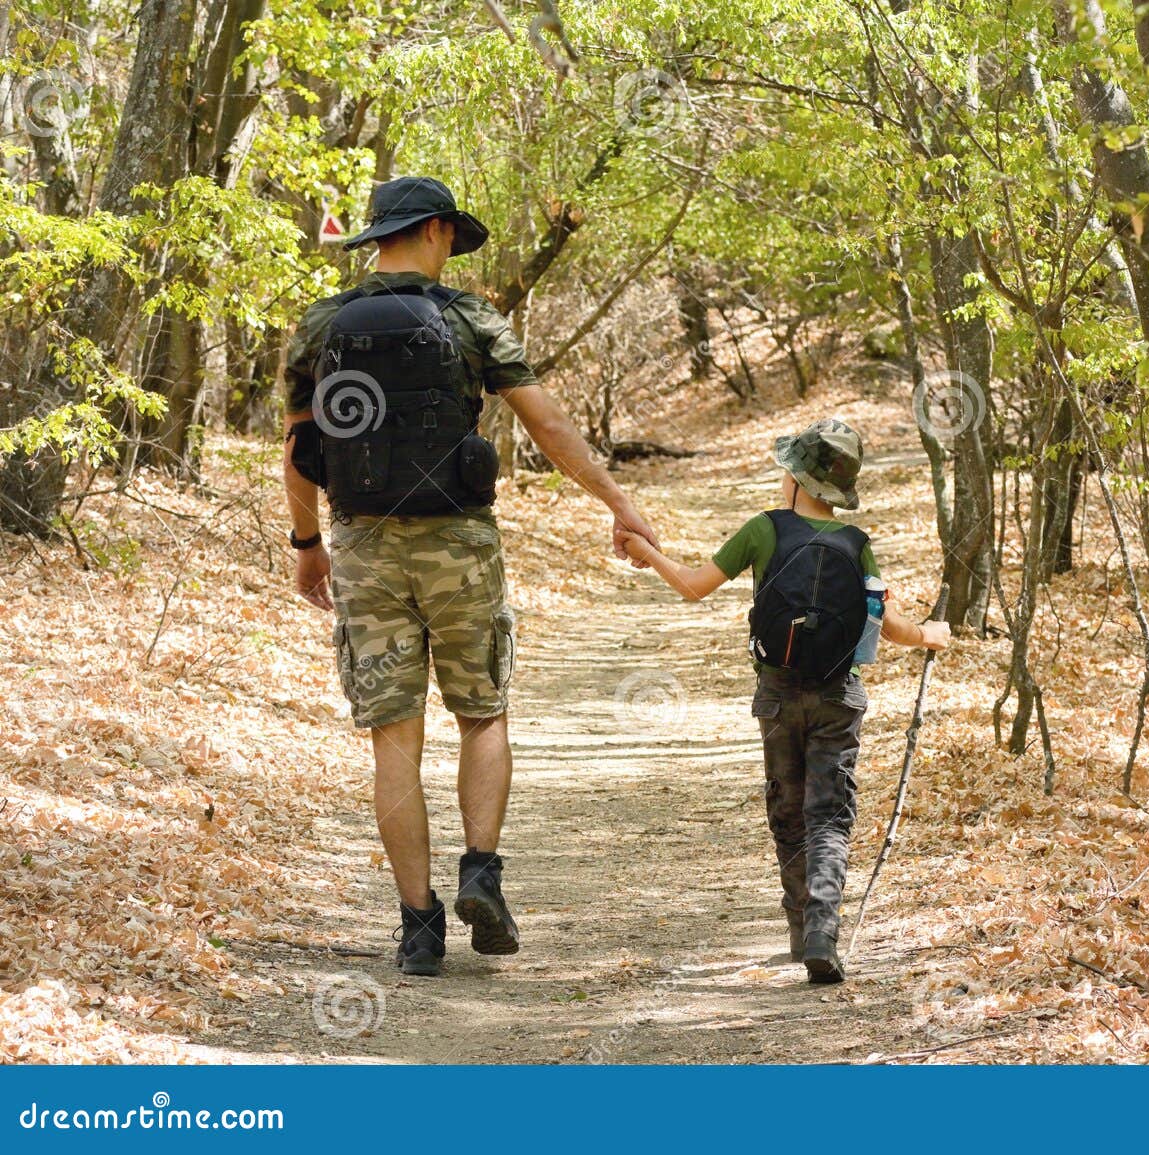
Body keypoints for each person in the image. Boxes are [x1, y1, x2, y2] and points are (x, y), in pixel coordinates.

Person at [282, 176, 658, 976]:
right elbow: (545, 422)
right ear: (441, 231)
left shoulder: (321, 324)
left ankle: (419, 928)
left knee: (395, 736)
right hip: (459, 542)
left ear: (378, 238)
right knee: (482, 712)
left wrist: (306, 541)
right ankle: (480, 870)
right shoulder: (468, 320)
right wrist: (618, 501)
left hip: (362, 544)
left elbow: (298, 449)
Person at [618, 418, 950, 983]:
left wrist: (648, 551)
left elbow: (694, 586)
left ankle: (800, 929)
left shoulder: (763, 530)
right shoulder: (856, 544)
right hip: (839, 697)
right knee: (830, 816)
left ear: (797, 479)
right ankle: (823, 928)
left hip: (776, 695)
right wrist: (928, 634)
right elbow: (886, 625)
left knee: (788, 811)